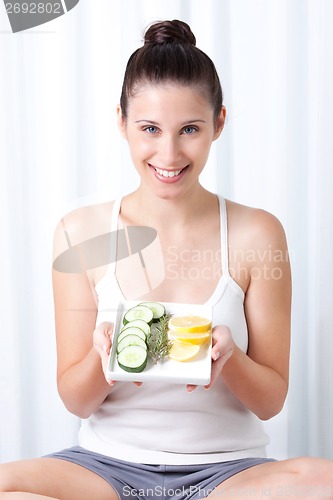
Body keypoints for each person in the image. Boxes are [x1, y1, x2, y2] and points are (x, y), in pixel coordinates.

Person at [1, 19, 332, 500]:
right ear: (121, 122)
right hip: (104, 469)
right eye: (150, 129)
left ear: (219, 123)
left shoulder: (258, 232)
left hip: (226, 473)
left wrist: (229, 359)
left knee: (324, 481)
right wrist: (104, 359)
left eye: (190, 129)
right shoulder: (80, 231)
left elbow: (270, 402)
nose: (169, 153)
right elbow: (76, 400)